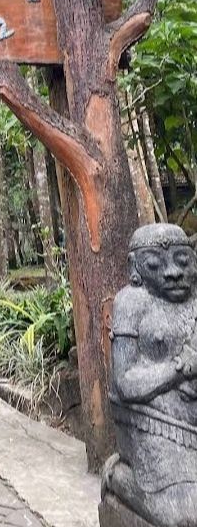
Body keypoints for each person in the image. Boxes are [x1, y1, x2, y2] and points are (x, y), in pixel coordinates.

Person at [103, 224, 197, 527]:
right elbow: (125, 381)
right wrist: (179, 368)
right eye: (156, 264)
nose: (172, 272)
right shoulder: (131, 303)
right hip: (153, 422)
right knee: (182, 516)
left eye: (182, 261)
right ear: (136, 267)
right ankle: (119, 477)